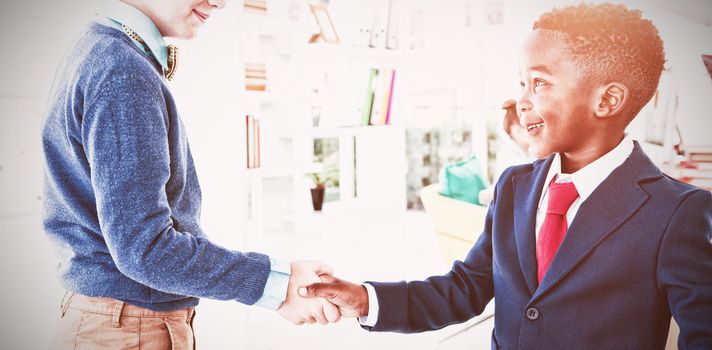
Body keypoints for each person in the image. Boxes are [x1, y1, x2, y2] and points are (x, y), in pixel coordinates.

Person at [300, 3, 712, 349]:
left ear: (607, 100)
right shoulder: (514, 186)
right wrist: (365, 299)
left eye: (539, 83)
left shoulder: (677, 213)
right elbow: (465, 288)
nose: (522, 100)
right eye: (521, 83)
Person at [41, 0, 339, 348]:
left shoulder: (102, 51)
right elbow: (145, 249)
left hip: (119, 322)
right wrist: (276, 284)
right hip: (128, 328)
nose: (218, 2)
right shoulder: (122, 71)